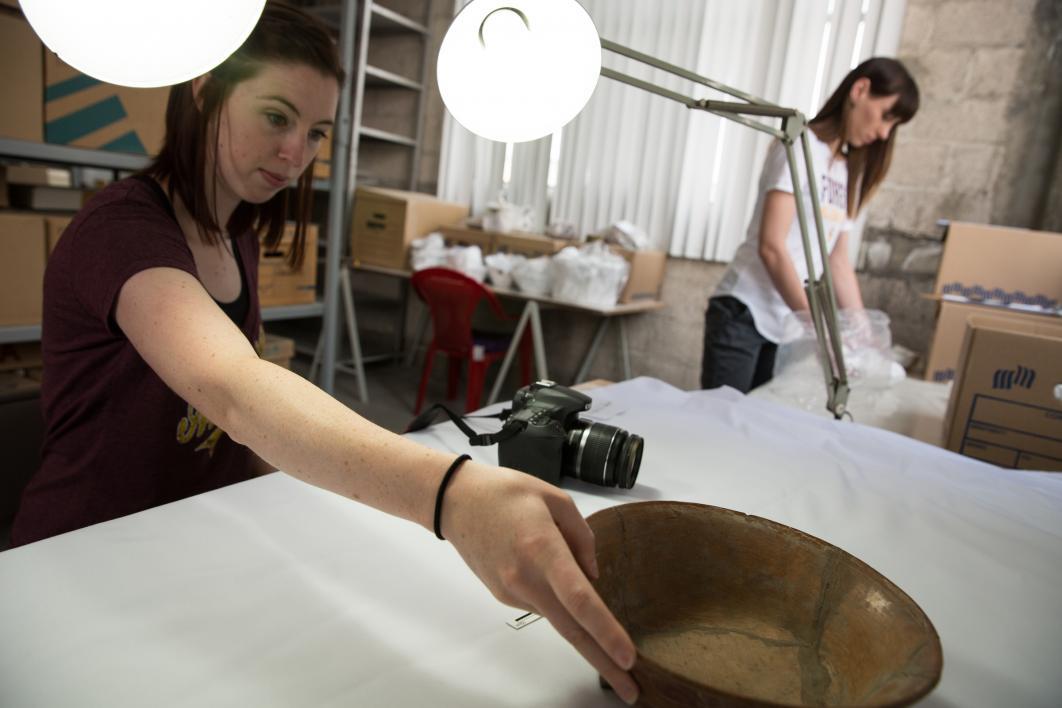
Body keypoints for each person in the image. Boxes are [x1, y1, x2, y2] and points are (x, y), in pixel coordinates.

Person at [10, 3, 638, 703]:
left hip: (192, 540)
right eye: (276, 117)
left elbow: (232, 433)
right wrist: (451, 495)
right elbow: (232, 389)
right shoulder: (121, 231)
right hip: (79, 555)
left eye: (315, 132)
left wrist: (346, 488)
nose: (296, 154)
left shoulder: (234, 236)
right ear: (204, 89)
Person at [701, 57, 919, 393]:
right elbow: (772, 248)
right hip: (744, 312)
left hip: (785, 322)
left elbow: (838, 261)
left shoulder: (847, 172)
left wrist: (864, 334)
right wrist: (816, 328)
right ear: (860, 90)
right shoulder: (798, 145)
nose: (883, 133)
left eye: (894, 126)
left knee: (755, 428)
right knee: (719, 426)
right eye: (886, 117)